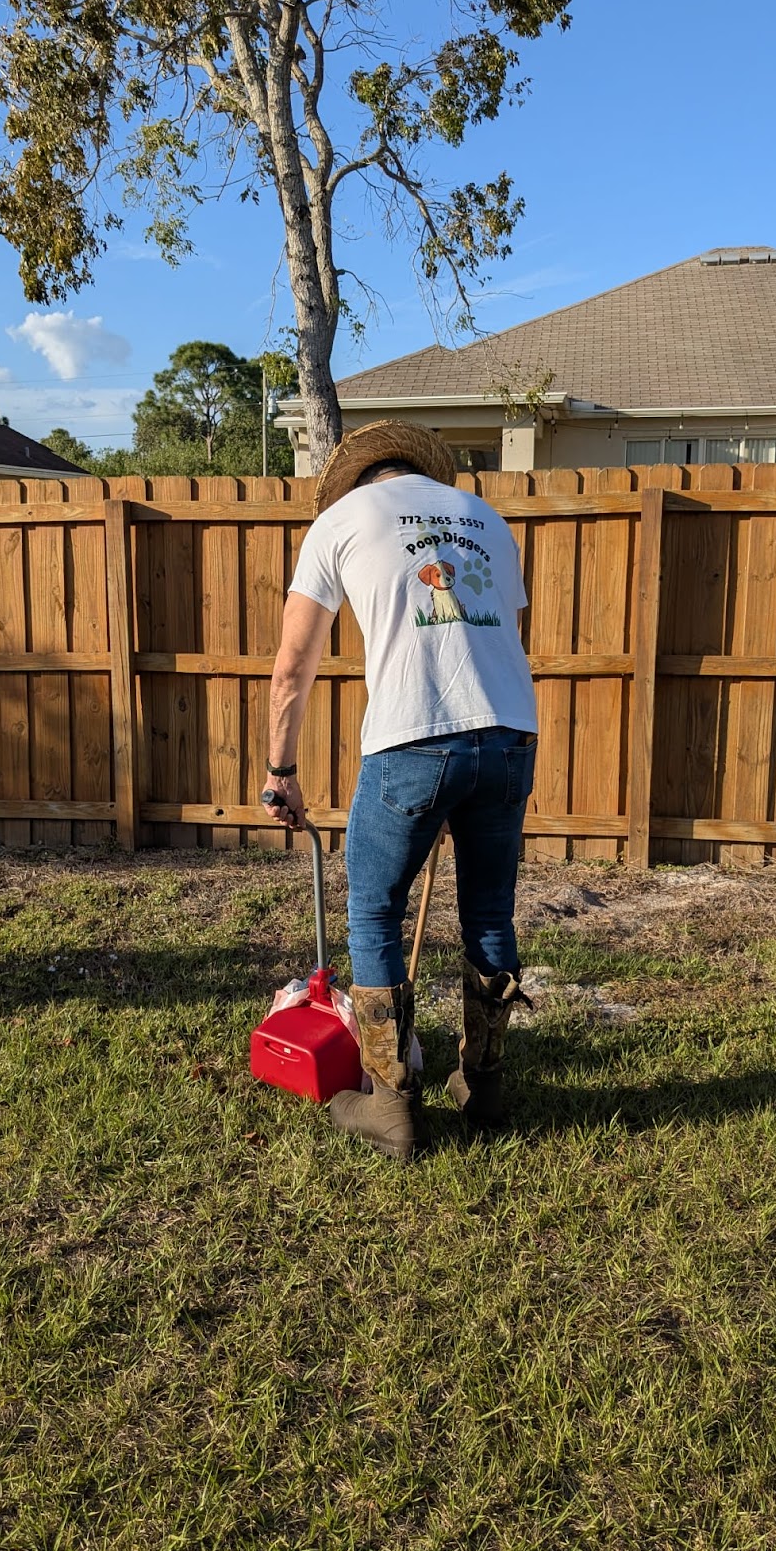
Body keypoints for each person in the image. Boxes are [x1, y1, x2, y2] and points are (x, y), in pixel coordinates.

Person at [263, 421, 537, 1161]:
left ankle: (390, 1107)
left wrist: (279, 771)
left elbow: (294, 662)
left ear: (356, 480)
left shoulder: (339, 520)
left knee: (374, 909)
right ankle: (483, 1087)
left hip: (412, 741)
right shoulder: (485, 518)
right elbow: (512, 635)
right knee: (488, 912)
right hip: (509, 733)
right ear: (419, 472)